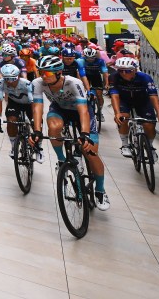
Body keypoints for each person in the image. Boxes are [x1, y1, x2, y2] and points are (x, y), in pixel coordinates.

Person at [31, 55, 110, 210]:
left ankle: (100, 190)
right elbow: (37, 107)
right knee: (53, 128)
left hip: (80, 111)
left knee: (91, 152)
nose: (43, 77)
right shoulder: (37, 83)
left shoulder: (74, 82)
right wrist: (37, 131)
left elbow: (83, 111)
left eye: (47, 73)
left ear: (59, 72)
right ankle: (61, 160)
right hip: (60, 109)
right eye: (41, 72)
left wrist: (85, 133)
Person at [109, 57, 159, 161]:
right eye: (120, 70)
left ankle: (150, 147)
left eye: (128, 70)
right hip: (124, 100)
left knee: (150, 125)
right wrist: (117, 113)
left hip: (142, 100)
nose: (124, 73)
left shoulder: (145, 77)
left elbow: (154, 97)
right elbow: (114, 96)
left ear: (135, 70)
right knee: (123, 117)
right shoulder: (114, 77)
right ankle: (125, 144)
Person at [0, 63, 41, 161]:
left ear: (18, 76)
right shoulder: (0, 83)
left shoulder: (26, 83)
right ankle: (13, 146)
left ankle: (39, 148)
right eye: (6, 79)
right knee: (11, 121)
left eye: (12, 79)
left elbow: (33, 103)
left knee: (37, 124)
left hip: (28, 104)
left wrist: (34, 119)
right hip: (14, 103)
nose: (9, 82)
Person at [82, 46, 109, 120]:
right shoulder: (81, 60)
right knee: (83, 93)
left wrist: (107, 83)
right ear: (85, 56)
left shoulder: (100, 61)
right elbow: (79, 73)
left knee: (99, 96)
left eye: (92, 58)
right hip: (86, 77)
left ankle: (99, 111)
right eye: (88, 58)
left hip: (96, 77)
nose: (90, 60)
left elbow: (105, 73)